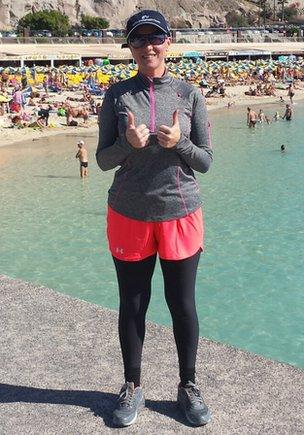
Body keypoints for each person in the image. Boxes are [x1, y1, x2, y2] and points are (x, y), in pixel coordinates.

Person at [96, 9, 213, 428]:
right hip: (129, 213)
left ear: (169, 42)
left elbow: (206, 161)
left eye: (156, 38)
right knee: (133, 303)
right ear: (129, 47)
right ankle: (131, 385)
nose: (148, 45)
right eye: (139, 39)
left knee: (182, 304)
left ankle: (188, 385)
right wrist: (127, 145)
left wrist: (180, 143)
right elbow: (103, 160)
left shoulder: (189, 93)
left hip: (180, 212)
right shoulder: (115, 95)